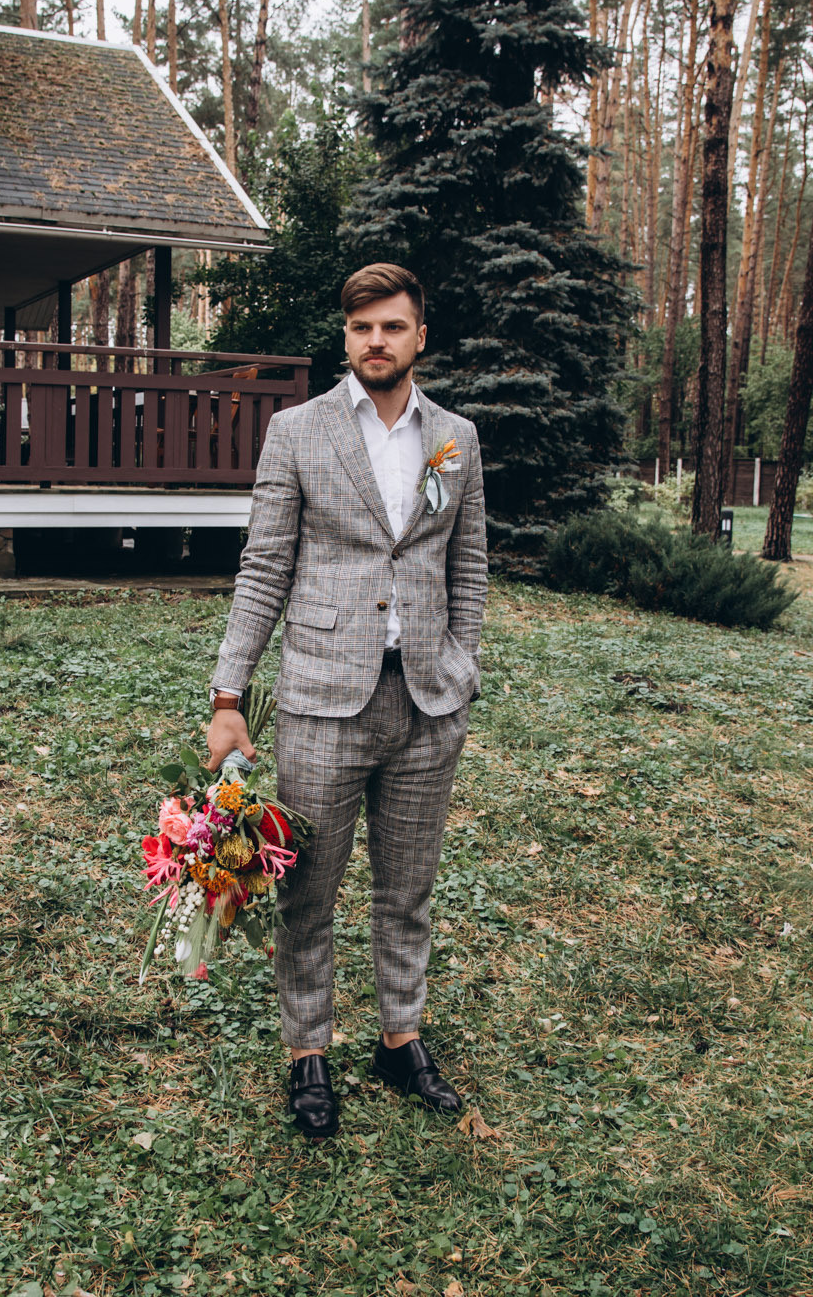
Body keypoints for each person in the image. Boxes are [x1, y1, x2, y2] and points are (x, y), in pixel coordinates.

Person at [205, 263, 488, 1140]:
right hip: (324, 698)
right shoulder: (298, 432)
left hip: (426, 704)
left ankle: (400, 1038)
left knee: (408, 890)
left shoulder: (456, 439)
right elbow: (264, 568)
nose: (377, 341)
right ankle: (309, 1053)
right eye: (363, 327)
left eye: (394, 327)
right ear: (345, 336)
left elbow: (465, 562)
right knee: (309, 892)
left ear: (420, 337)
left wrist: (463, 663)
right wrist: (228, 694)